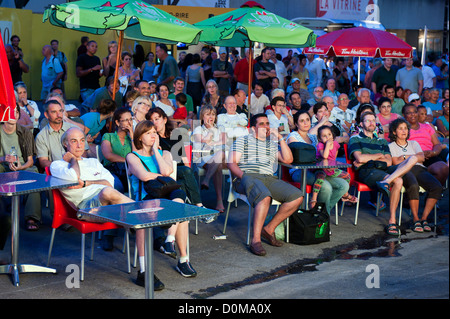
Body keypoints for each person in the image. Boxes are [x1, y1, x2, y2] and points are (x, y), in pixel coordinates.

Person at [49, 126, 164, 289]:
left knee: (139, 221)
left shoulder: (93, 162)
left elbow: (111, 182)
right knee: (116, 198)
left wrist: (86, 183)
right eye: (73, 141)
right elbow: (75, 177)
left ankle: (144, 272)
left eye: (82, 140)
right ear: (65, 144)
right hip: (85, 209)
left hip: (110, 202)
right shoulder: (58, 165)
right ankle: (144, 211)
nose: (79, 145)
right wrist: (73, 160)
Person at [126, 121, 197, 281]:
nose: (153, 135)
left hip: (165, 197)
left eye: (154, 132)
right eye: (148, 133)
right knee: (180, 208)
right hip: (145, 200)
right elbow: (144, 176)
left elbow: (166, 170)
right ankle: (148, 268)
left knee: (180, 201)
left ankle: (172, 244)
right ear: (139, 137)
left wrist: (156, 153)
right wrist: (162, 177)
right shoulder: (132, 156)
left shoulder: (164, 154)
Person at [228, 113, 303, 256]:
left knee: (297, 197)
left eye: (267, 123)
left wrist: (280, 138)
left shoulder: (272, 144)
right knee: (264, 197)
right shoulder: (243, 140)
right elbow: (231, 163)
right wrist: (244, 177)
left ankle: (269, 229)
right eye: (261, 124)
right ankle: (255, 240)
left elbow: (288, 159)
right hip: (247, 176)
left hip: (268, 178)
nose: (266, 127)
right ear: (253, 128)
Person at [348, 111, 419, 236]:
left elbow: (388, 162)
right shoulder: (355, 139)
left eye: (373, 120)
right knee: (398, 180)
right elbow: (359, 158)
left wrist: (369, 158)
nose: (371, 123)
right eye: (367, 120)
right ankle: (392, 221)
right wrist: (379, 155)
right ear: (361, 124)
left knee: (413, 159)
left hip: (383, 170)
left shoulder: (382, 141)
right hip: (367, 172)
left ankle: (386, 181)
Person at [287, 111, 350, 214]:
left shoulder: (313, 137)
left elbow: (329, 141)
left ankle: (322, 212)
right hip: (299, 172)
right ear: (296, 124)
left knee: (344, 185)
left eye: (307, 120)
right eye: (302, 121)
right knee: (326, 187)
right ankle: (321, 216)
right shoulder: (293, 136)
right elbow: (297, 156)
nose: (305, 123)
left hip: (318, 170)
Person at [388, 118, 443, 232]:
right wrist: (413, 157)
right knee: (413, 186)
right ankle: (415, 219)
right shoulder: (391, 146)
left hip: (419, 169)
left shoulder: (414, 143)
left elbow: (421, 158)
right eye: (400, 129)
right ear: (394, 132)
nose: (404, 131)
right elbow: (395, 162)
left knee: (436, 186)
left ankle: (424, 218)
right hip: (404, 170)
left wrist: (404, 157)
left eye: (405, 129)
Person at [147, 108, 206, 212]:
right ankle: (198, 206)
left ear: (164, 120)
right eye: (151, 120)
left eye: (157, 119)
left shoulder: (175, 134)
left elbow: (183, 157)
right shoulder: (153, 139)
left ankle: (187, 209)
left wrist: (189, 170)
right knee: (185, 173)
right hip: (167, 171)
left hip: (181, 169)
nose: (154, 123)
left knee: (184, 178)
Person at [0, 106, 41, 231]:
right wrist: (3, 159)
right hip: (2, 165)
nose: (14, 115)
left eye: (16, 112)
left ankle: (32, 217)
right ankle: (2, 214)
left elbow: (30, 160)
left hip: (22, 166)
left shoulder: (25, 132)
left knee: (33, 175)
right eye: (10, 112)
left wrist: (21, 166)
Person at [310, 125, 357, 208]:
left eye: (329, 134)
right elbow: (324, 156)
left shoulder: (335, 144)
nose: (328, 137)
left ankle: (345, 194)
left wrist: (334, 166)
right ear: (320, 139)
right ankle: (314, 199)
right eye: (324, 136)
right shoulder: (320, 145)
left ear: (333, 135)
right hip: (320, 168)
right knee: (320, 178)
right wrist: (327, 145)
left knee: (347, 176)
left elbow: (334, 156)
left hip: (330, 169)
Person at [403, 104, 449, 185]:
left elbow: (437, 144)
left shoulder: (427, 127)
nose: (413, 114)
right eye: (409, 113)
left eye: (415, 112)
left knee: (443, 168)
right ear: (404, 115)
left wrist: (433, 152)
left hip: (430, 155)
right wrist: (419, 154)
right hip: (413, 158)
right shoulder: (402, 129)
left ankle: (433, 194)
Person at [36, 100, 89, 169]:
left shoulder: (74, 129)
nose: (59, 115)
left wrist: (75, 166)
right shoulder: (41, 136)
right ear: (46, 115)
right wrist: (62, 168)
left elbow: (84, 153)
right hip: (56, 172)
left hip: (79, 167)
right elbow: (43, 161)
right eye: (54, 112)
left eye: (60, 111)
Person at [192, 105, 227, 213]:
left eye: (213, 114)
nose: (211, 117)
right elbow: (200, 142)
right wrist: (210, 134)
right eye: (208, 114)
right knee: (219, 165)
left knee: (221, 154)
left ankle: (206, 179)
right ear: (202, 116)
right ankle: (219, 201)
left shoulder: (220, 128)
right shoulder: (198, 129)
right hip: (204, 157)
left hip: (220, 156)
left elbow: (224, 142)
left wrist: (212, 141)